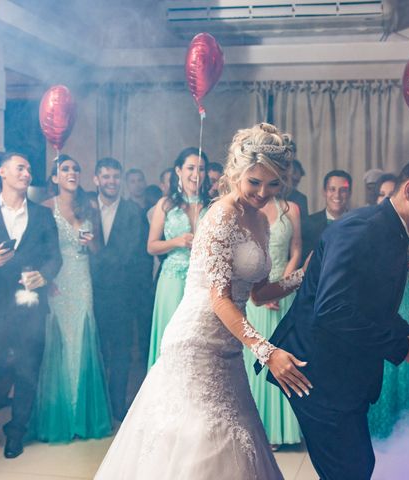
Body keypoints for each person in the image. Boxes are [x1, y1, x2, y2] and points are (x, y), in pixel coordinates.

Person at [95, 122, 312, 479]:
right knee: (201, 445)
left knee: (236, 443)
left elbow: (258, 294)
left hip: (228, 345)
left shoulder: (260, 219)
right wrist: (266, 351)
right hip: (195, 342)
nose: (263, 192)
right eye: (254, 182)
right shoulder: (221, 214)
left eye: (273, 184)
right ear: (237, 173)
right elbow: (219, 298)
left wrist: (305, 275)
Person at [263, 154, 409, 480]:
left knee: (358, 467)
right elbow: (332, 309)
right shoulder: (361, 230)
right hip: (316, 372)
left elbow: (369, 307)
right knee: (351, 470)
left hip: (341, 370)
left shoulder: (394, 231)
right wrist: (402, 346)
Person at [0, 153, 62, 459]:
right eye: (21, 168)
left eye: (30, 169)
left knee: (27, 371)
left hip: (31, 307)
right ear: (2, 172)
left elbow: (55, 257)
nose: (27, 173)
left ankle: (17, 431)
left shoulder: (43, 216)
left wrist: (42, 276)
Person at [30, 155, 111, 442]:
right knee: (60, 342)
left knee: (82, 340)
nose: (72, 172)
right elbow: (37, 250)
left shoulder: (89, 207)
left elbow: (100, 250)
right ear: (54, 178)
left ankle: (82, 415)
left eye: (76, 168)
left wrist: (92, 245)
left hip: (82, 278)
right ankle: (61, 414)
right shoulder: (43, 209)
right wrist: (45, 279)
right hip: (56, 281)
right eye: (65, 169)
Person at [91, 157, 152, 421]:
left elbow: (129, 255)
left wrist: (94, 250)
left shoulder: (132, 212)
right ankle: (95, 408)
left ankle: (117, 407)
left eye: (115, 177)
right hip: (86, 292)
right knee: (94, 351)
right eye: (106, 177)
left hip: (121, 295)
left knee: (120, 353)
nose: (111, 182)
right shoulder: (86, 209)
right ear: (96, 180)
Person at [368, 174, 409, 438]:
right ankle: (379, 431)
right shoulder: (370, 228)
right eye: (381, 193)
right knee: (380, 363)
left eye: (390, 192)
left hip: (408, 301)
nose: (385, 197)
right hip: (378, 301)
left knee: (407, 367)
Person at [243, 195, 303, 449]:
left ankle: (286, 429)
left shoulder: (291, 209)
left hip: (285, 291)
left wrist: (281, 287)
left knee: (286, 356)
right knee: (256, 361)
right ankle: (260, 429)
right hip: (252, 292)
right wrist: (260, 291)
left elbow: (297, 249)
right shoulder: (243, 210)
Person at [146, 147, 210, 368]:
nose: (196, 174)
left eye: (201, 169)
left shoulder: (212, 206)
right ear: (178, 171)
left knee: (199, 341)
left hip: (203, 282)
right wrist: (177, 242)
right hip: (172, 280)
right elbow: (151, 246)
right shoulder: (165, 205)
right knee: (172, 341)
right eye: (190, 168)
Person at [302, 169, 352, 260]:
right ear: (324, 192)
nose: (337, 195)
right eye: (332, 189)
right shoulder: (308, 224)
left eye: (343, 190)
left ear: (349, 193)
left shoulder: (358, 225)